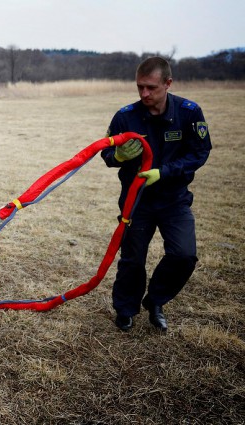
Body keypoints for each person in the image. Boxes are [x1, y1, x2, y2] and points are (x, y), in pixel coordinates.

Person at [101, 56, 211, 332]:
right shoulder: (125, 116)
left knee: (184, 255)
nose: (144, 94)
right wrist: (119, 154)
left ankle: (156, 300)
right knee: (132, 259)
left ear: (168, 83)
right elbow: (106, 153)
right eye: (140, 87)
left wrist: (164, 172)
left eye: (151, 87)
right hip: (137, 201)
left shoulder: (189, 113)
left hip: (174, 199)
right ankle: (125, 309)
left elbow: (200, 152)